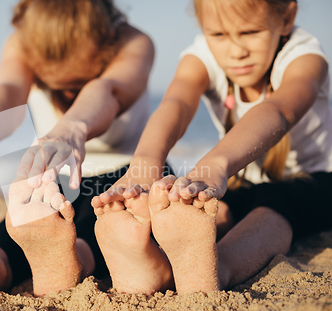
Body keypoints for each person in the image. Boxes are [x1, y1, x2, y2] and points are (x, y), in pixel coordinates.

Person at [0, 0, 172, 296]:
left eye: (77, 84)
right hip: (52, 177)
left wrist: (71, 128)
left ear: (105, 43)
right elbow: (8, 90)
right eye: (54, 84)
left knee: (107, 226)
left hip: (131, 174)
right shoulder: (21, 42)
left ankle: (69, 258)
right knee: (28, 223)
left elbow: (107, 89)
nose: (68, 95)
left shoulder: (133, 42)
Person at [93, 0, 332, 295]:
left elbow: (279, 111)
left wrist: (217, 163)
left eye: (250, 32)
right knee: (208, 207)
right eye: (218, 35)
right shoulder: (201, 58)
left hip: (317, 181)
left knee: (274, 202)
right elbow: (177, 104)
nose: (236, 50)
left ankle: (218, 269)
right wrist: (145, 164)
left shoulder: (305, 57)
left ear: (286, 17)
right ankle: (160, 267)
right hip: (247, 180)